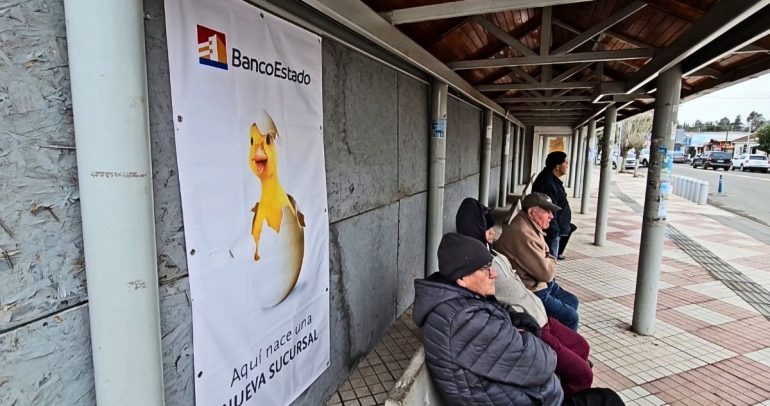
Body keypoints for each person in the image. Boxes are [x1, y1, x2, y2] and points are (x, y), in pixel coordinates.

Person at [413, 233, 624, 406]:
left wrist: (520, 328)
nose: (493, 273)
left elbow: (503, 317)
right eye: (484, 268)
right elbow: (542, 364)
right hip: (523, 399)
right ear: (462, 278)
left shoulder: (460, 303)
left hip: (520, 395)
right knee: (608, 401)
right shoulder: (464, 321)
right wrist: (527, 335)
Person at [456, 198, 592, 396]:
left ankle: (565, 388)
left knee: (582, 346)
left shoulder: (491, 251)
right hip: (532, 324)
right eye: (488, 229)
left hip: (540, 312)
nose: (493, 233)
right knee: (583, 374)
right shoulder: (474, 265)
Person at [495, 192, 580, 331]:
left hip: (541, 284)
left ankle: (553, 333)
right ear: (531, 212)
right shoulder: (523, 233)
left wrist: (548, 258)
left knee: (572, 301)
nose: (551, 216)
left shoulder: (529, 224)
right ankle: (557, 348)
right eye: (547, 211)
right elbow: (546, 274)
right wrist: (552, 257)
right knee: (571, 317)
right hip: (532, 289)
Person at [533, 151, 577, 260]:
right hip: (552, 229)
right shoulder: (547, 183)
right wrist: (554, 231)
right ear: (557, 166)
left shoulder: (551, 179)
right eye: (566, 163)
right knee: (550, 261)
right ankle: (550, 276)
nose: (567, 166)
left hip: (557, 226)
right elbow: (548, 208)